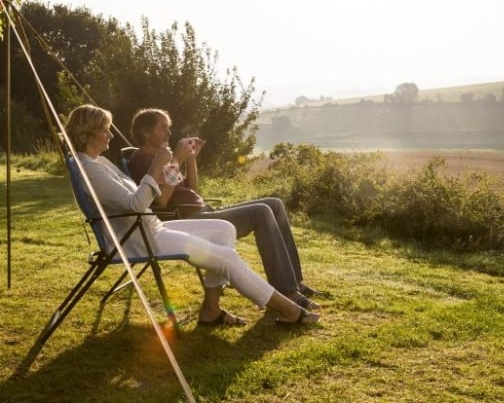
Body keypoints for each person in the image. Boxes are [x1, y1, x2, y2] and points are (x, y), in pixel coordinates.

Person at [64, 104, 319, 326]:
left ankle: (212, 309)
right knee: (228, 255)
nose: (109, 133)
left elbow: (189, 192)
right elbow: (147, 202)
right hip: (141, 236)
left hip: (154, 226)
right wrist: (169, 161)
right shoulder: (110, 165)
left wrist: (189, 160)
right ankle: (288, 307)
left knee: (226, 229)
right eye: (104, 128)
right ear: (88, 132)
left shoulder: (100, 163)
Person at [127, 108, 324, 311]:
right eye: (163, 128)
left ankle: (295, 282)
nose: (169, 133)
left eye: (169, 128)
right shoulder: (142, 159)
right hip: (188, 220)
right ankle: (287, 291)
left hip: (204, 210)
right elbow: (162, 201)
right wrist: (176, 159)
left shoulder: (164, 158)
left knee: (275, 203)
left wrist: (191, 159)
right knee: (261, 212)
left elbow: (192, 191)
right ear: (146, 133)